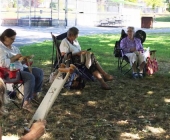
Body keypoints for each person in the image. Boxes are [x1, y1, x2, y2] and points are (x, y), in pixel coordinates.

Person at [0, 28, 43, 112]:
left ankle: (34, 94)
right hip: (9, 73)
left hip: (20, 69)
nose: (13, 41)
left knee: (39, 72)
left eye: (14, 39)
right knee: (29, 77)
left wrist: (24, 60)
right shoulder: (1, 48)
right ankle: (26, 102)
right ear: (5, 37)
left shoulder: (14, 48)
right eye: (12, 39)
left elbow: (19, 62)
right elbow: (2, 63)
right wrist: (15, 58)